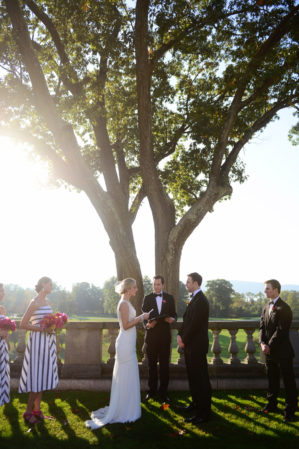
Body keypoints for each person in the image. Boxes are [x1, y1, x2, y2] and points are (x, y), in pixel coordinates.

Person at [85, 278, 150, 429]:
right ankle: (123, 410)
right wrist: (141, 318)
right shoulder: (123, 304)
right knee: (125, 374)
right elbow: (126, 325)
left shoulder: (126, 302)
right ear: (128, 289)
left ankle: (128, 406)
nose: (136, 290)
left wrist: (142, 318)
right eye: (134, 287)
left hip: (128, 343)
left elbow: (129, 321)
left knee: (129, 374)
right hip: (125, 344)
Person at [18, 276, 58, 425]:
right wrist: (42, 328)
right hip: (37, 343)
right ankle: (27, 413)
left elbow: (48, 322)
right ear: (43, 285)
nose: (52, 286)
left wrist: (55, 324)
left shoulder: (47, 301)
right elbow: (23, 324)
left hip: (47, 342)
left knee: (42, 376)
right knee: (36, 376)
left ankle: (37, 410)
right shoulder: (34, 302)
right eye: (50, 284)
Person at [259, 279, 298, 422]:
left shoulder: (285, 308)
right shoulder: (265, 306)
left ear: (275, 290)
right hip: (269, 351)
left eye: (268, 288)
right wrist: (262, 343)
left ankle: (290, 411)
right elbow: (262, 327)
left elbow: (281, 331)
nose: (265, 291)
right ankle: (272, 405)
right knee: (272, 379)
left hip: (283, 352)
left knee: (289, 382)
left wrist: (269, 345)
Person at [177, 272, 211, 425]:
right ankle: (196, 404)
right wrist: (179, 334)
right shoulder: (193, 299)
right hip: (190, 345)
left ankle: (203, 413)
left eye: (188, 282)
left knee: (200, 380)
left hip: (196, 346)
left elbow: (195, 325)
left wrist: (184, 340)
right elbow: (186, 321)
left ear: (196, 283)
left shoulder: (201, 301)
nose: (186, 284)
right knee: (193, 378)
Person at [142, 275, 176, 402]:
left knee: (164, 367)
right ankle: (151, 392)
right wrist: (148, 325)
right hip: (151, 337)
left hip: (165, 337)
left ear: (163, 285)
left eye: (158, 284)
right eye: (154, 284)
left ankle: (163, 393)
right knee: (151, 366)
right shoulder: (147, 298)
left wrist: (172, 319)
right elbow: (143, 317)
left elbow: (174, 315)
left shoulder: (170, 298)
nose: (156, 286)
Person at [0, 283, 10, 407]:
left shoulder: (2, 309)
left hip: (2, 346)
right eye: (0, 290)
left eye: (3, 290)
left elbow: (5, 327)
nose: (2, 293)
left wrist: (6, 331)